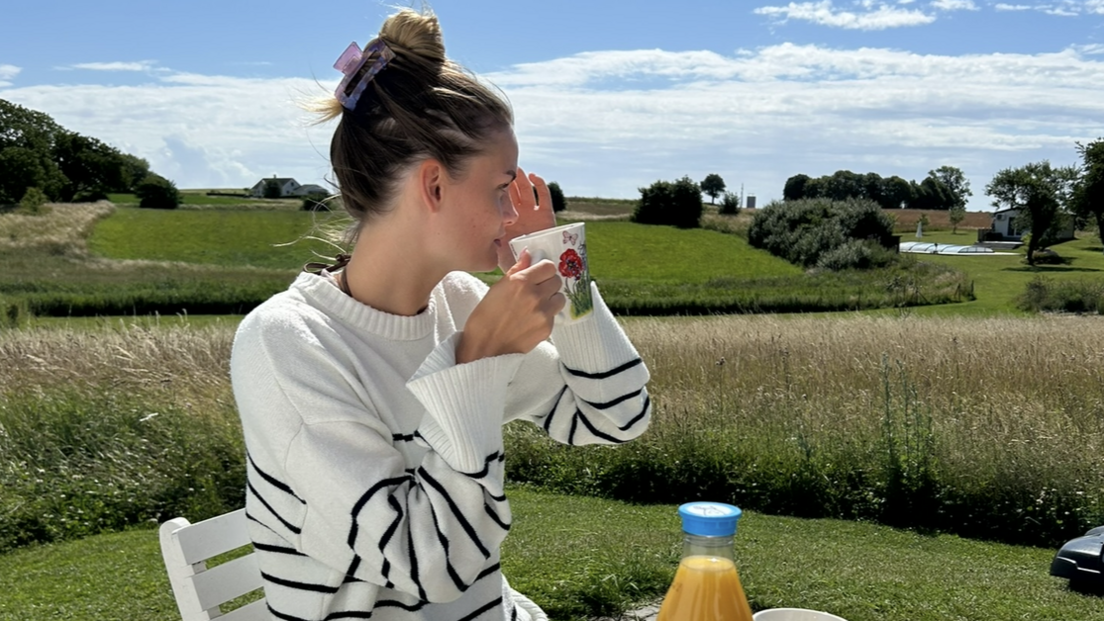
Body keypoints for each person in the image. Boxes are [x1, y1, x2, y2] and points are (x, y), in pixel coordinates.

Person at [229, 7, 652, 621]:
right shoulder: (286, 343)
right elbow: (434, 566)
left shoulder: (457, 300)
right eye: (500, 188)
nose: (516, 215)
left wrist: (564, 267)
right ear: (433, 186)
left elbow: (618, 416)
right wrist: (474, 361)